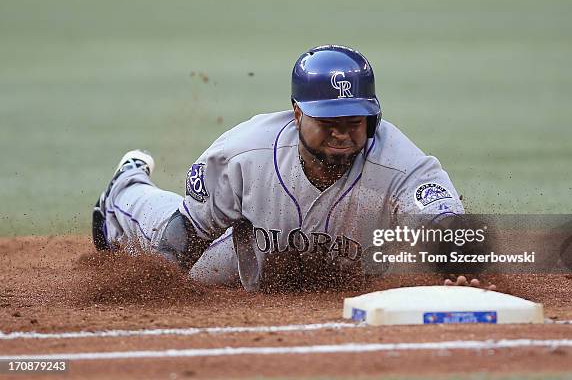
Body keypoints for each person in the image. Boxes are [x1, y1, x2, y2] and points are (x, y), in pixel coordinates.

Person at [92, 44, 479, 292]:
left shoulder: (402, 165)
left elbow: (443, 223)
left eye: (353, 122)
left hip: (323, 272)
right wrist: (159, 280)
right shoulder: (245, 154)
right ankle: (125, 190)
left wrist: (459, 261)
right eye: (328, 123)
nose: (342, 135)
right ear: (297, 114)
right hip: (246, 255)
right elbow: (188, 228)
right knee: (183, 248)